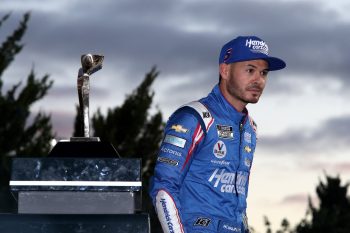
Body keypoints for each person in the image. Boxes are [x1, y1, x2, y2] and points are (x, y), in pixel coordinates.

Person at [149, 35, 286, 233]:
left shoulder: (250, 128)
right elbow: (164, 190)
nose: (259, 80)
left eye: (263, 73)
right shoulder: (194, 117)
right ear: (225, 70)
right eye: (250, 70)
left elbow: (237, 200)